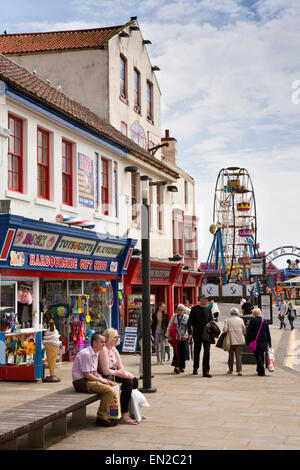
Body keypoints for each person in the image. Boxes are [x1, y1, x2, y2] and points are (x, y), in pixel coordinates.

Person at [72, 332, 117, 427]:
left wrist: (103, 380)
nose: (104, 344)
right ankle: (101, 417)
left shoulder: (95, 353)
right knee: (109, 390)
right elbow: (87, 374)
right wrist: (101, 381)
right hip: (81, 382)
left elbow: (95, 372)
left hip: (88, 379)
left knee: (114, 385)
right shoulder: (86, 354)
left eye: (104, 342)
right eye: (102, 342)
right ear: (94, 342)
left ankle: (113, 413)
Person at [98, 328, 139, 425]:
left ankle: (132, 410)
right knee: (128, 383)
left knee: (134, 380)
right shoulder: (103, 350)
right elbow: (105, 370)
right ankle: (124, 415)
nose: (117, 339)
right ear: (108, 338)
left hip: (114, 374)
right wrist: (121, 374)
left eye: (118, 337)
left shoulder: (113, 349)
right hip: (105, 376)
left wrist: (125, 373)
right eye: (115, 337)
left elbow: (121, 366)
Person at [187, 294, 213, 377]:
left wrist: (210, 323)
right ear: (200, 299)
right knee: (197, 352)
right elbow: (189, 322)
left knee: (207, 352)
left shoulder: (208, 309)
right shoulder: (194, 309)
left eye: (207, 299)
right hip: (197, 334)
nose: (206, 300)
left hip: (206, 334)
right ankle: (195, 368)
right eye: (205, 299)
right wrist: (190, 333)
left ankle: (206, 371)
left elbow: (211, 320)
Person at [246, 307, 272, 376]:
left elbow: (249, 332)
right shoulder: (264, 321)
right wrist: (270, 343)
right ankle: (259, 370)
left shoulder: (252, 321)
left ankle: (262, 372)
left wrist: (248, 342)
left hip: (255, 342)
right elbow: (268, 333)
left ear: (254, 313)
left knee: (258, 357)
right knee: (261, 356)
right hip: (264, 342)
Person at [223, 307, 246, 376]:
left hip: (231, 340)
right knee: (239, 356)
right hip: (239, 340)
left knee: (231, 355)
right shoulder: (241, 320)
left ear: (230, 313)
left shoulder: (227, 320)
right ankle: (239, 371)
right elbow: (244, 330)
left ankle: (230, 370)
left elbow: (225, 330)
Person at [167, 304, 189, 374]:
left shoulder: (186, 317)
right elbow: (170, 325)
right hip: (175, 337)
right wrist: (169, 334)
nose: (179, 311)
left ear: (184, 311)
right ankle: (176, 366)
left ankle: (181, 366)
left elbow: (189, 327)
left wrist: (186, 334)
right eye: (178, 309)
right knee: (176, 351)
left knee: (183, 352)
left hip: (183, 338)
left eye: (181, 310)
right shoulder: (174, 316)